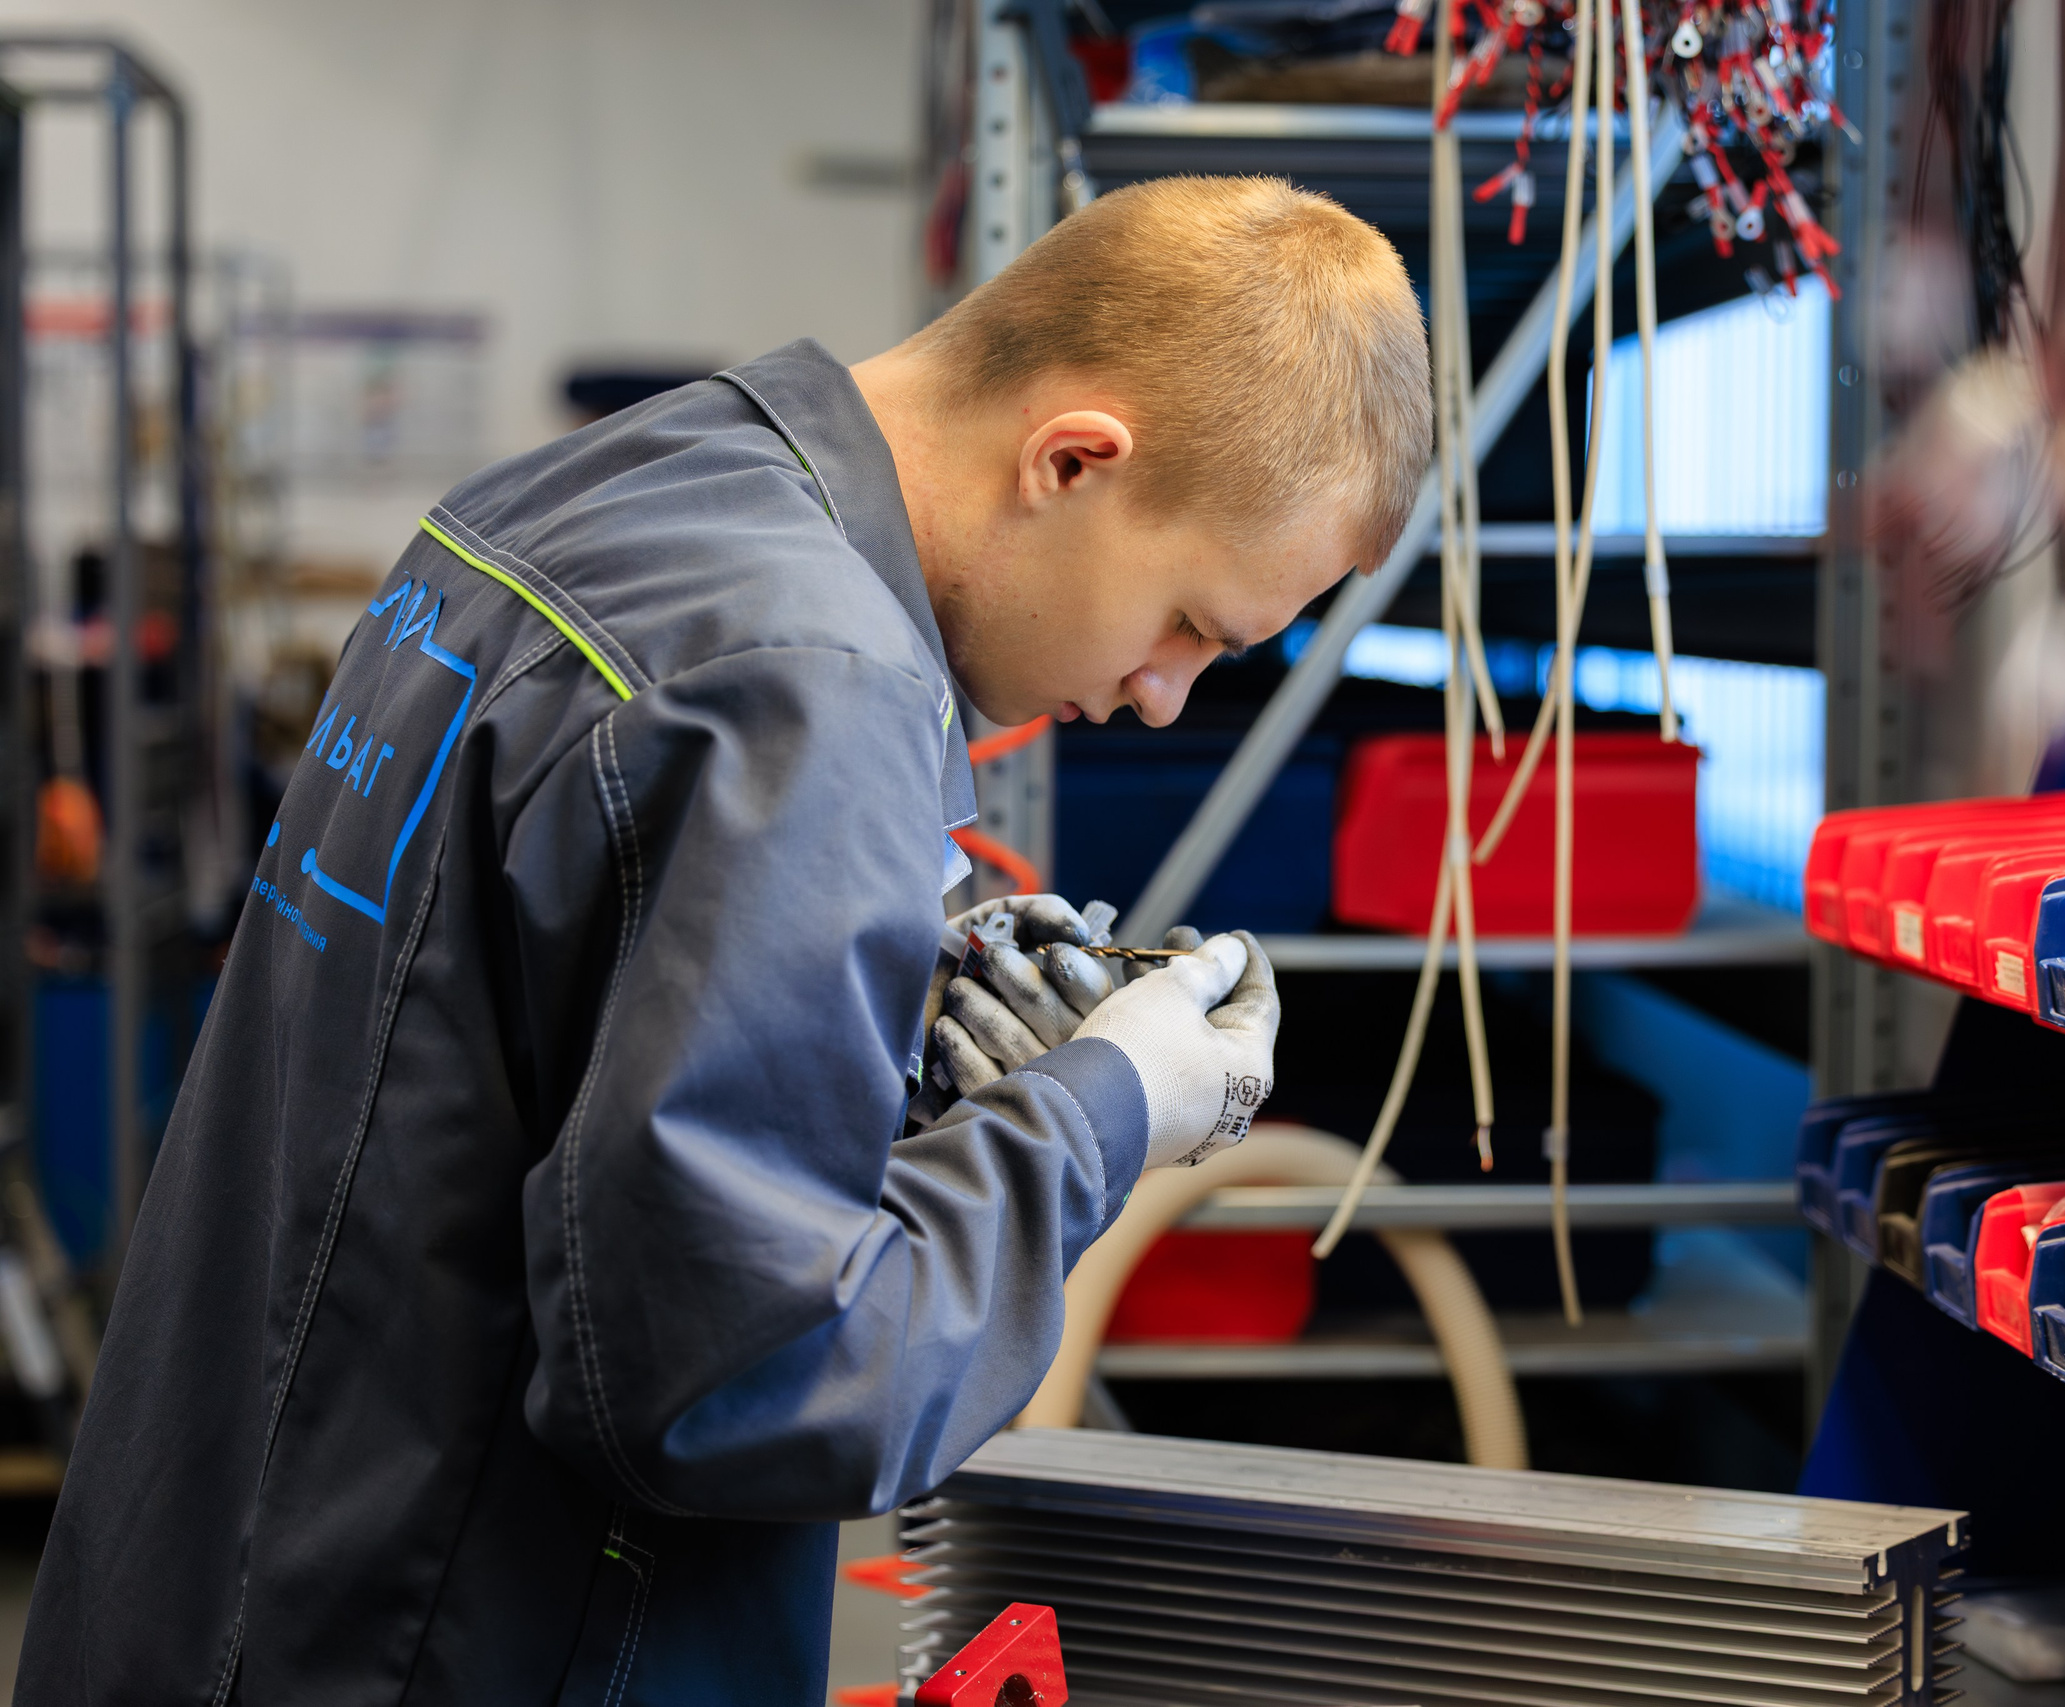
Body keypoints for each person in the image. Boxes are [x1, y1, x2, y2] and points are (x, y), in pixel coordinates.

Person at [18, 176, 1430, 1705]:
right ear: (1075, 461)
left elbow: (502, 1053)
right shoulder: (810, 686)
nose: (1165, 696)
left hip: (202, 1577)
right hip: (429, 1640)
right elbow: (745, 1384)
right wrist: (1101, 1114)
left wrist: (878, 993)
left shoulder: (582, 501)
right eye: (1193, 626)